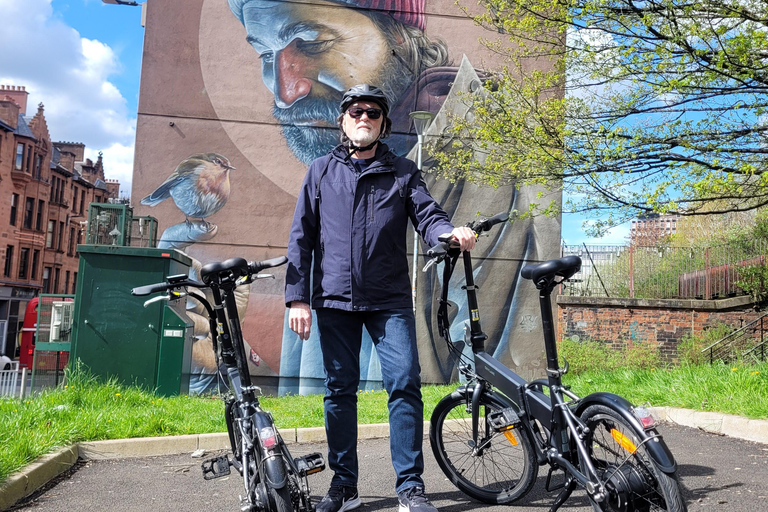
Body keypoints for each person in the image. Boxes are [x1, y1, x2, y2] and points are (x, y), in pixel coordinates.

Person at [285, 84, 476, 512]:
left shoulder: (403, 172)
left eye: (372, 113)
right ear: (343, 120)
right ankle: (344, 485)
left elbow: (428, 215)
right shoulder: (320, 171)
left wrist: (448, 234)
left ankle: (410, 487)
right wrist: (297, 298)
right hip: (333, 300)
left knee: (404, 384)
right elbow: (301, 238)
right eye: (355, 112)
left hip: (389, 300)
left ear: (383, 124)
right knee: (339, 390)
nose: (363, 118)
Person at [227, 0, 454, 162]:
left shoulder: (479, 151)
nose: (285, 96)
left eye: (313, 45)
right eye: (266, 54)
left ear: (398, 37)